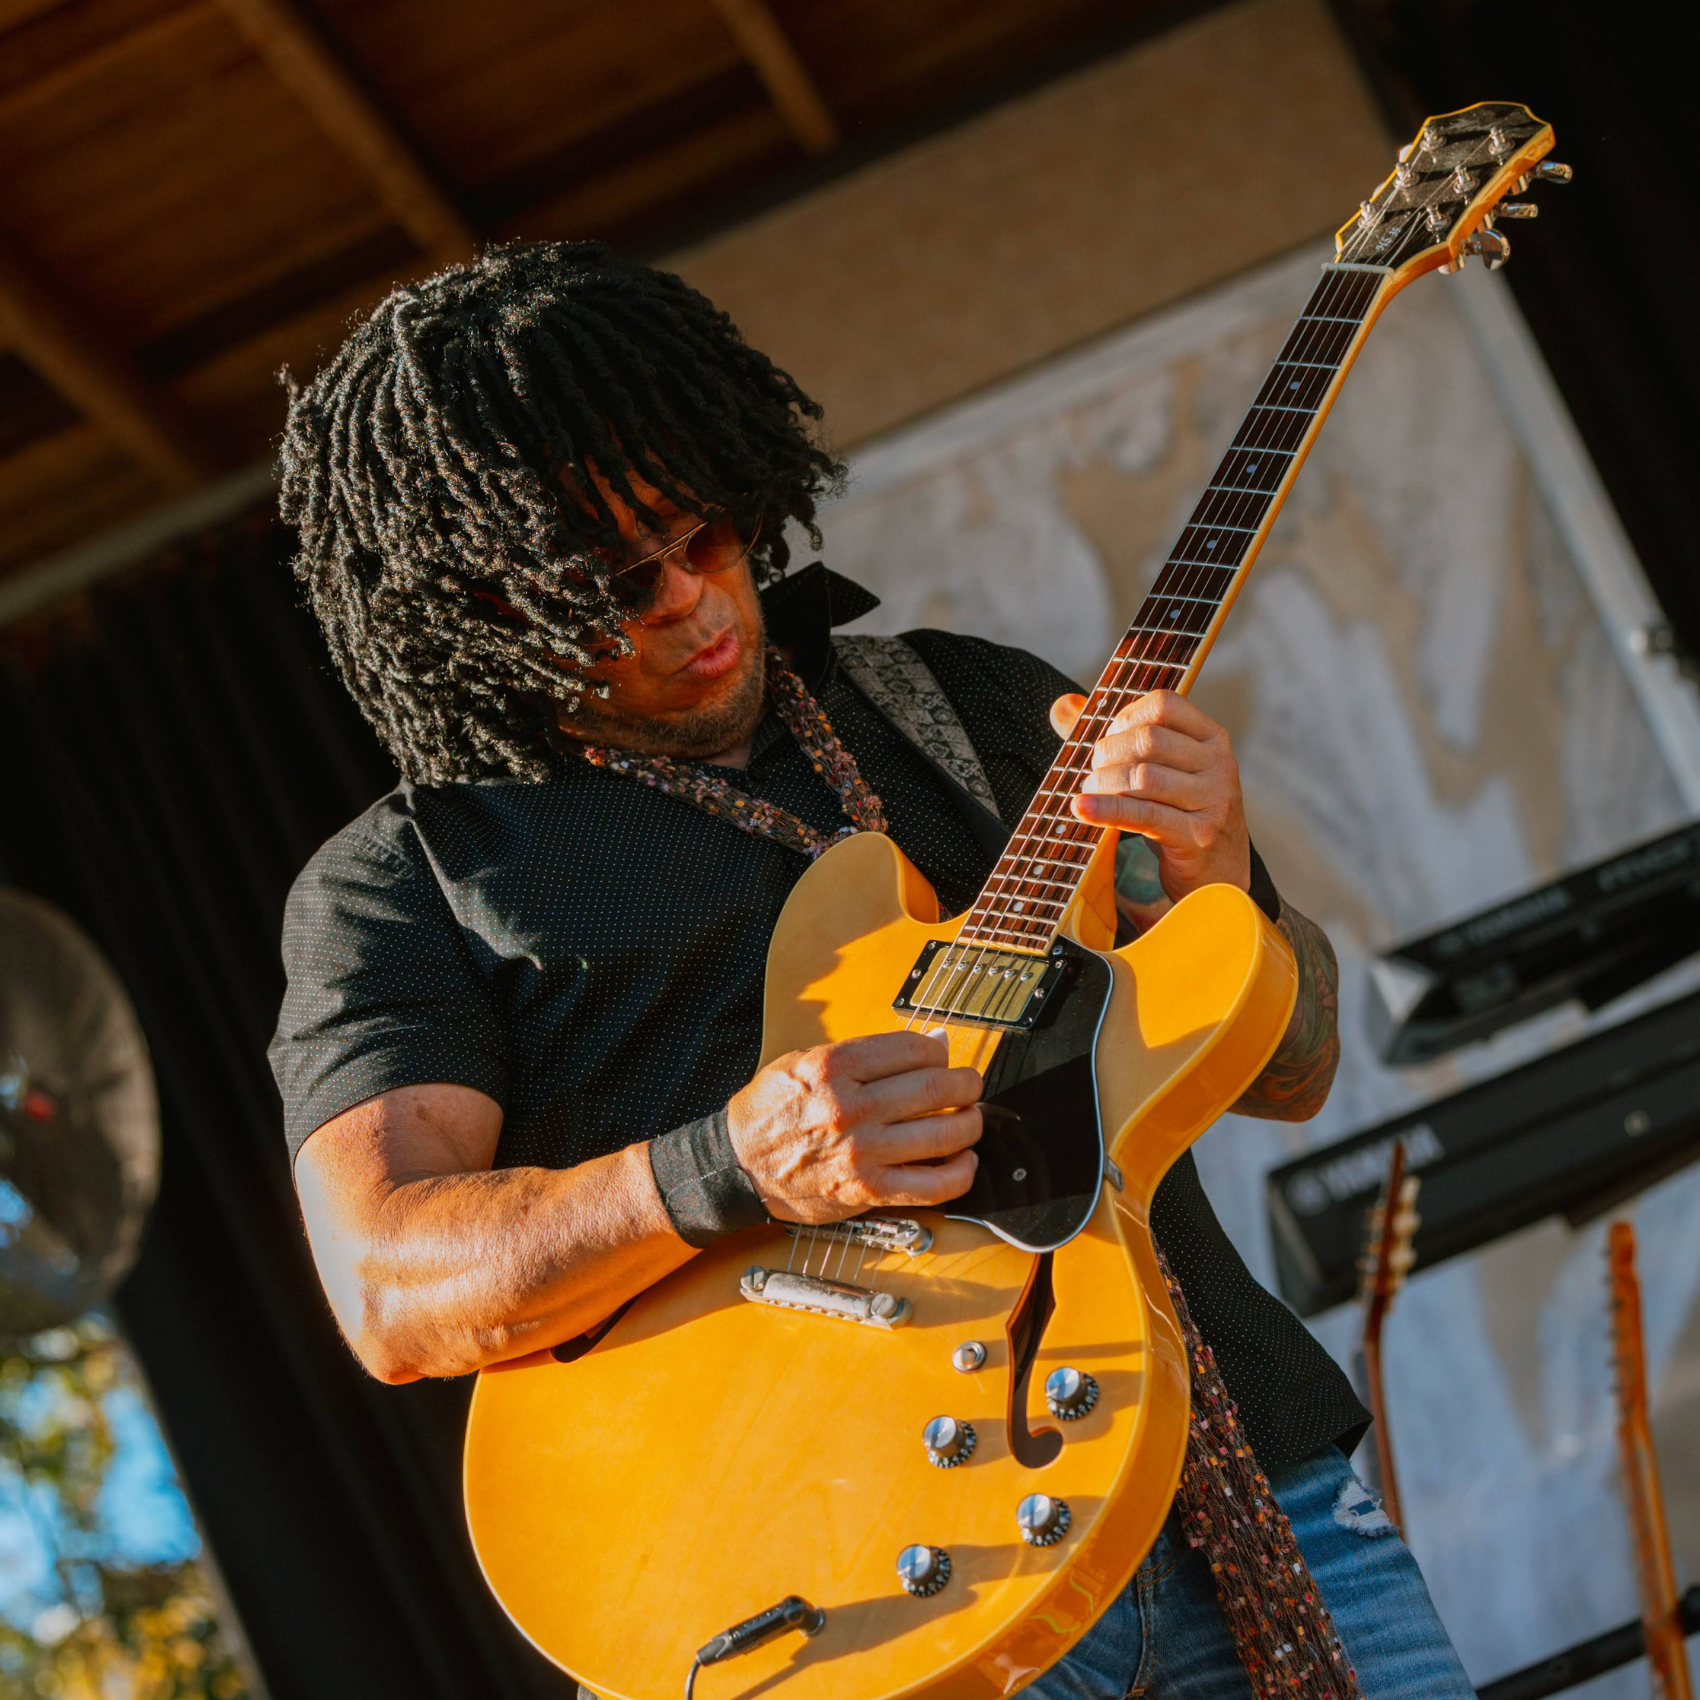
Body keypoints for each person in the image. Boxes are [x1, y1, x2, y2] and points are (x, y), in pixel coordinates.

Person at [269, 242, 1473, 1699]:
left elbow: (1296, 1071)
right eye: (607, 586)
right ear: (477, 606)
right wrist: (726, 1163)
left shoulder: (966, 704)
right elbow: (393, 1285)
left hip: (1239, 1482)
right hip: (827, 1593)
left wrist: (1209, 870)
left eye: (698, 533)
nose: (689, 600)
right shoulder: (411, 878)